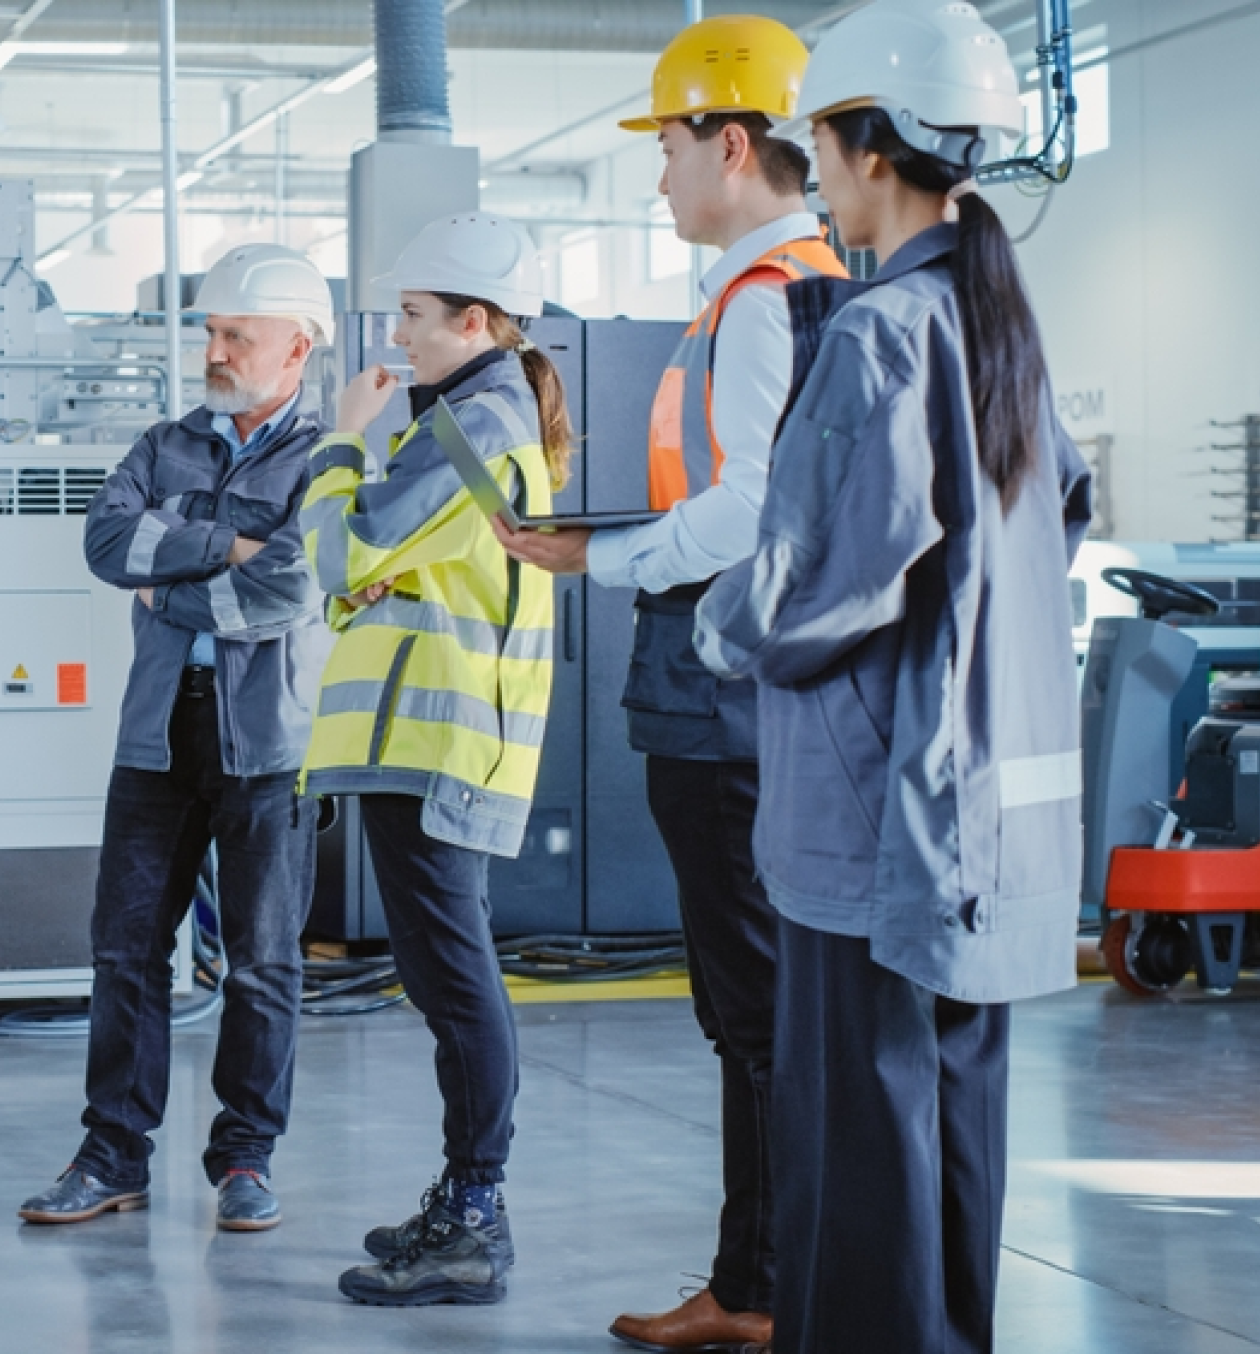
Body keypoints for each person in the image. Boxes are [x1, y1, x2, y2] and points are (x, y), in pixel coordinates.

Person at [693, 3, 1092, 1350]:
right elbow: (1045, 526)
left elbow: (816, 583)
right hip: (986, 811)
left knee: (858, 1149)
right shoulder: (999, 325)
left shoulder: (878, 332)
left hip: (874, 818)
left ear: (868, 148)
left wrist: (710, 628)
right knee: (948, 1122)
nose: (816, 172)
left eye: (818, 143)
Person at [494, 17, 842, 1350]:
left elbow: (750, 508)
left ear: (731, 143)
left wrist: (599, 554)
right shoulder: (793, 288)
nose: (658, 176)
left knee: (752, 1006)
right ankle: (764, 1275)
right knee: (757, 1002)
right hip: (751, 685)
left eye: (669, 146)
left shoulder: (762, 301)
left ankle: (763, 1286)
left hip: (726, 686)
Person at [19, 244, 336, 1234]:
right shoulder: (164, 443)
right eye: (211, 332)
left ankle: (245, 1157)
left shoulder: (328, 462)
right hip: (155, 735)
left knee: (263, 963)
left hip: (270, 746)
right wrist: (232, 545)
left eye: (237, 334)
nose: (216, 350)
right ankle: (112, 1154)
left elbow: (290, 586)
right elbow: (106, 543)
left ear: (297, 347)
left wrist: (176, 581)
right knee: (124, 952)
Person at [301, 214, 568, 1307]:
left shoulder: (470, 429)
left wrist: (338, 442)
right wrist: (367, 563)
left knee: (455, 985)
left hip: (438, 742)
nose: (397, 335)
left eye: (412, 315)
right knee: (445, 979)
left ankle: (473, 1215)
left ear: (475, 320)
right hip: (428, 740)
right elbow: (372, 574)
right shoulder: (469, 422)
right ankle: (464, 1201)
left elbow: (344, 550)